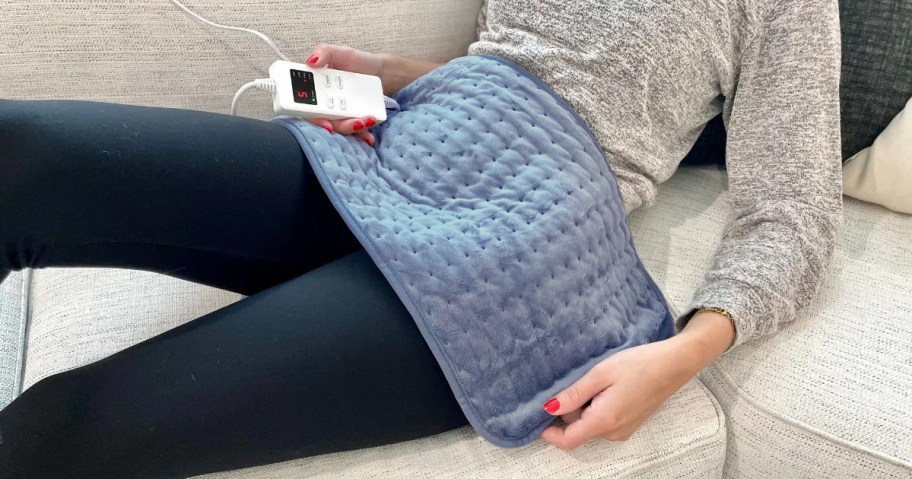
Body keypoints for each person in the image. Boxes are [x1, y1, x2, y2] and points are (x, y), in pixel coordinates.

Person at [0, 0, 842, 477]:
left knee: (61, 431)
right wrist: (395, 73)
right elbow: (527, 57)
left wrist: (682, 355)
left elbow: (795, 211)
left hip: (524, 236)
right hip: (411, 137)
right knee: (23, 154)